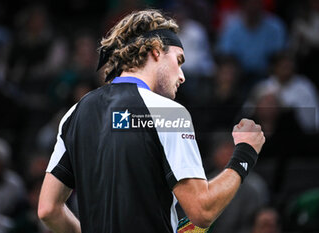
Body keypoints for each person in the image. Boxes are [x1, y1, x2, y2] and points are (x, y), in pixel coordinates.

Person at [38, 9, 265, 233]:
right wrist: (245, 152)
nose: (182, 76)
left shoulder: (75, 113)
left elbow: (48, 210)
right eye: (178, 60)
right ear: (156, 52)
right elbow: (202, 210)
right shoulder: (167, 113)